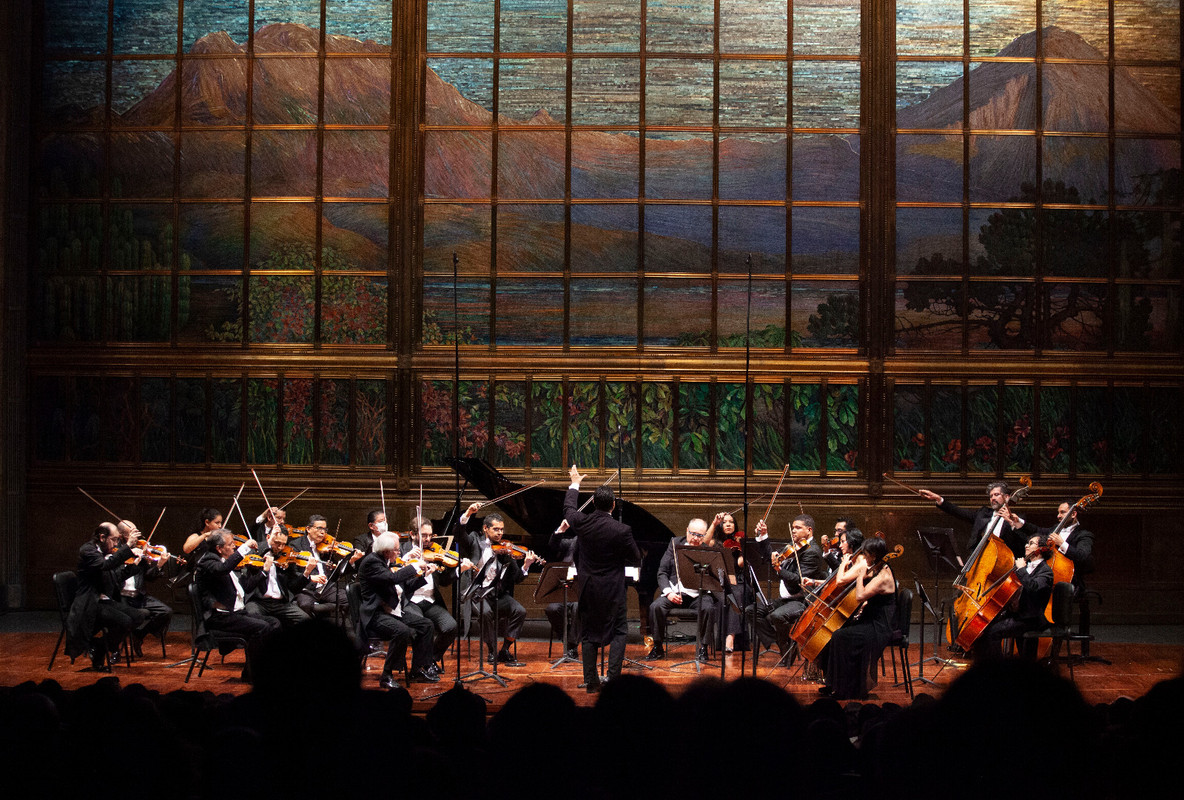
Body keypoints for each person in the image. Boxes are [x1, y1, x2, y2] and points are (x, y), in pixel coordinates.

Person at [563, 465, 641, 692]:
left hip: (588, 587)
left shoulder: (582, 523)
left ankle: (591, 681)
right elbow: (636, 559)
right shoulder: (622, 530)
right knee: (619, 630)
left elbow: (568, 508)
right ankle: (613, 678)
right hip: (613, 589)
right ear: (613, 505)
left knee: (588, 633)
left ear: (594, 504)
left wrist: (575, 483)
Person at [455, 506, 540, 665]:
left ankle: (505, 649)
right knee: (486, 613)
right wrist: (467, 514)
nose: (500, 533)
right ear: (485, 529)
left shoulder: (506, 550)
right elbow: (459, 534)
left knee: (519, 611)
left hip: (496, 594)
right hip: (476, 593)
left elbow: (517, 578)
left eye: (501, 529)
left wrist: (526, 565)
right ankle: (492, 650)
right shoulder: (474, 541)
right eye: (496, 529)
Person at [195, 529, 281, 679]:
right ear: (219, 548)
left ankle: (254, 669)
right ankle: (254, 673)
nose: (234, 546)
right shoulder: (208, 562)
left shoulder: (223, 561)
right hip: (220, 617)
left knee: (274, 622)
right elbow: (222, 569)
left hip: (235, 613)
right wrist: (244, 548)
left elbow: (245, 588)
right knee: (262, 627)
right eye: (230, 544)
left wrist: (264, 572)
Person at [357, 530, 438, 688]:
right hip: (376, 614)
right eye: (396, 550)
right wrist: (414, 567)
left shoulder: (388, 562)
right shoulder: (372, 562)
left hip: (393, 610)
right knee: (401, 631)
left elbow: (405, 588)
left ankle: (417, 669)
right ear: (386, 551)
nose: (399, 552)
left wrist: (423, 576)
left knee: (426, 625)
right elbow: (392, 578)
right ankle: (386, 675)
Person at [820, 536, 897, 700]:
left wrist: (860, 576)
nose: (864, 558)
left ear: (874, 556)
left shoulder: (884, 576)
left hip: (878, 626)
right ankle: (834, 685)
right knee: (839, 632)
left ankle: (845, 689)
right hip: (871, 620)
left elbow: (860, 596)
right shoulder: (878, 568)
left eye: (867, 554)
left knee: (840, 636)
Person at [64, 521, 148, 670]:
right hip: (90, 603)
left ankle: (100, 645)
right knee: (125, 621)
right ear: (102, 537)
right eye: (114, 539)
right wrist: (127, 546)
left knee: (139, 616)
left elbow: (117, 577)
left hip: (104, 601)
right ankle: (99, 649)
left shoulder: (106, 554)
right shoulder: (88, 551)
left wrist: (134, 565)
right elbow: (105, 565)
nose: (117, 543)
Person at [749, 514, 830, 659]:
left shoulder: (812, 552)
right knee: (752, 610)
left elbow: (798, 580)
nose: (793, 530)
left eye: (798, 528)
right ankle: (781, 642)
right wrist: (764, 536)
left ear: (809, 530)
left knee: (777, 616)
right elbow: (772, 559)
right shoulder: (794, 546)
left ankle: (785, 646)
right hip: (785, 599)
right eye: (793, 527)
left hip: (801, 600)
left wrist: (779, 570)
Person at [644, 518, 721, 662]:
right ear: (687, 531)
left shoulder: (706, 549)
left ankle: (703, 648)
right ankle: (658, 647)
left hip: (699, 595)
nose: (696, 538)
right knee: (656, 607)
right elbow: (662, 572)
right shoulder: (674, 544)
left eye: (700, 535)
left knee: (709, 608)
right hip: (675, 593)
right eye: (693, 534)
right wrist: (669, 593)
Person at [970, 533, 1053, 660]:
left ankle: (998, 670)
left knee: (993, 632)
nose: (1026, 545)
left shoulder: (1045, 571)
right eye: (1027, 543)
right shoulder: (1026, 567)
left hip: (1030, 619)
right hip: (1017, 615)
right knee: (984, 628)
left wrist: (1020, 570)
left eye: (1031, 544)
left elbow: (1033, 587)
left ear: (1041, 549)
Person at [401, 516, 464, 675]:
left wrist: (458, 570)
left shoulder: (436, 551)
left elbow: (443, 581)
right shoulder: (403, 550)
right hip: (410, 601)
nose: (428, 539)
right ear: (412, 534)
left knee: (451, 627)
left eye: (430, 535)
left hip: (430, 601)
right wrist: (407, 558)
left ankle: (431, 659)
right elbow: (394, 573)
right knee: (423, 626)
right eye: (424, 535)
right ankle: (420, 667)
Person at [918, 481, 1027, 558]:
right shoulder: (983, 513)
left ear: (1007, 497)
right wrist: (939, 499)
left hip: (1002, 565)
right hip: (978, 561)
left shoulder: (1018, 519)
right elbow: (958, 512)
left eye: (996, 495)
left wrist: (1012, 523)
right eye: (991, 496)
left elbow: (1022, 544)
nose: (993, 498)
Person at [114, 519, 173, 656]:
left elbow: (149, 576)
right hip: (120, 597)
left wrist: (159, 565)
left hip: (138, 596)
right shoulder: (116, 553)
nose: (137, 537)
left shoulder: (140, 550)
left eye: (136, 532)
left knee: (166, 612)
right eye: (132, 533)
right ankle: (115, 649)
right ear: (122, 535)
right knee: (122, 618)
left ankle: (139, 635)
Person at [244, 525, 323, 629]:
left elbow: (293, 587)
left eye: (283, 544)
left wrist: (307, 572)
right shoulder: (256, 550)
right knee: (255, 618)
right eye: (277, 543)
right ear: (268, 538)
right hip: (258, 601)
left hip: (280, 603)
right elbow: (248, 584)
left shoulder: (286, 555)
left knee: (306, 621)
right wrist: (265, 570)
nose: (280, 548)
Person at [288, 514, 350, 620]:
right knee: (305, 605)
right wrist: (310, 578)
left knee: (349, 598)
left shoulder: (326, 547)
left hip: (325, 588)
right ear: (308, 529)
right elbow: (293, 574)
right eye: (319, 528)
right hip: (306, 589)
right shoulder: (295, 546)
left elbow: (334, 570)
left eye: (325, 529)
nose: (323, 533)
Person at [706, 511, 748, 653]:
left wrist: (743, 550)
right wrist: (714, 523)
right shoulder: (715, 542)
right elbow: (703, 544)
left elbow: (740, 565)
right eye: (725, 522)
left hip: (736, 580)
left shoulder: (738, 541)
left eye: (731, 522)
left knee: (736, 594)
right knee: (728, 596)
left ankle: (730, 637)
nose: (729, 524)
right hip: (718, 581)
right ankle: (727, 638)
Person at [545, 519, 580, 660]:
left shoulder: (596, 544)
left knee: (579, 608)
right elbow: (553, 545)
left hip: (582, 591)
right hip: (564, 589)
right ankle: (567, 638)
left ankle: (572, 645)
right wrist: (560, 530)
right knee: (552, 609)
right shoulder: (573, 542)